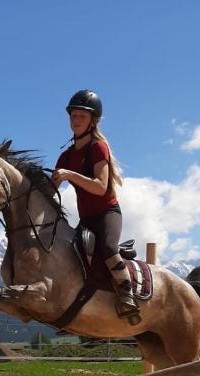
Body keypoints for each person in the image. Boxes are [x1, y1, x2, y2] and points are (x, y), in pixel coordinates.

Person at [52, 90, 141, 325]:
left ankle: (127, 296)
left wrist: (69, 174)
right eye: (73, 115)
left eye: (81, 116)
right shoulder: (65, 156)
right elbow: (50, 190)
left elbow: (101, 187)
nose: (75, 120)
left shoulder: (98, 147)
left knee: (108, 247)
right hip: (86, 219)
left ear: (93, 120)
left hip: (107, 213)